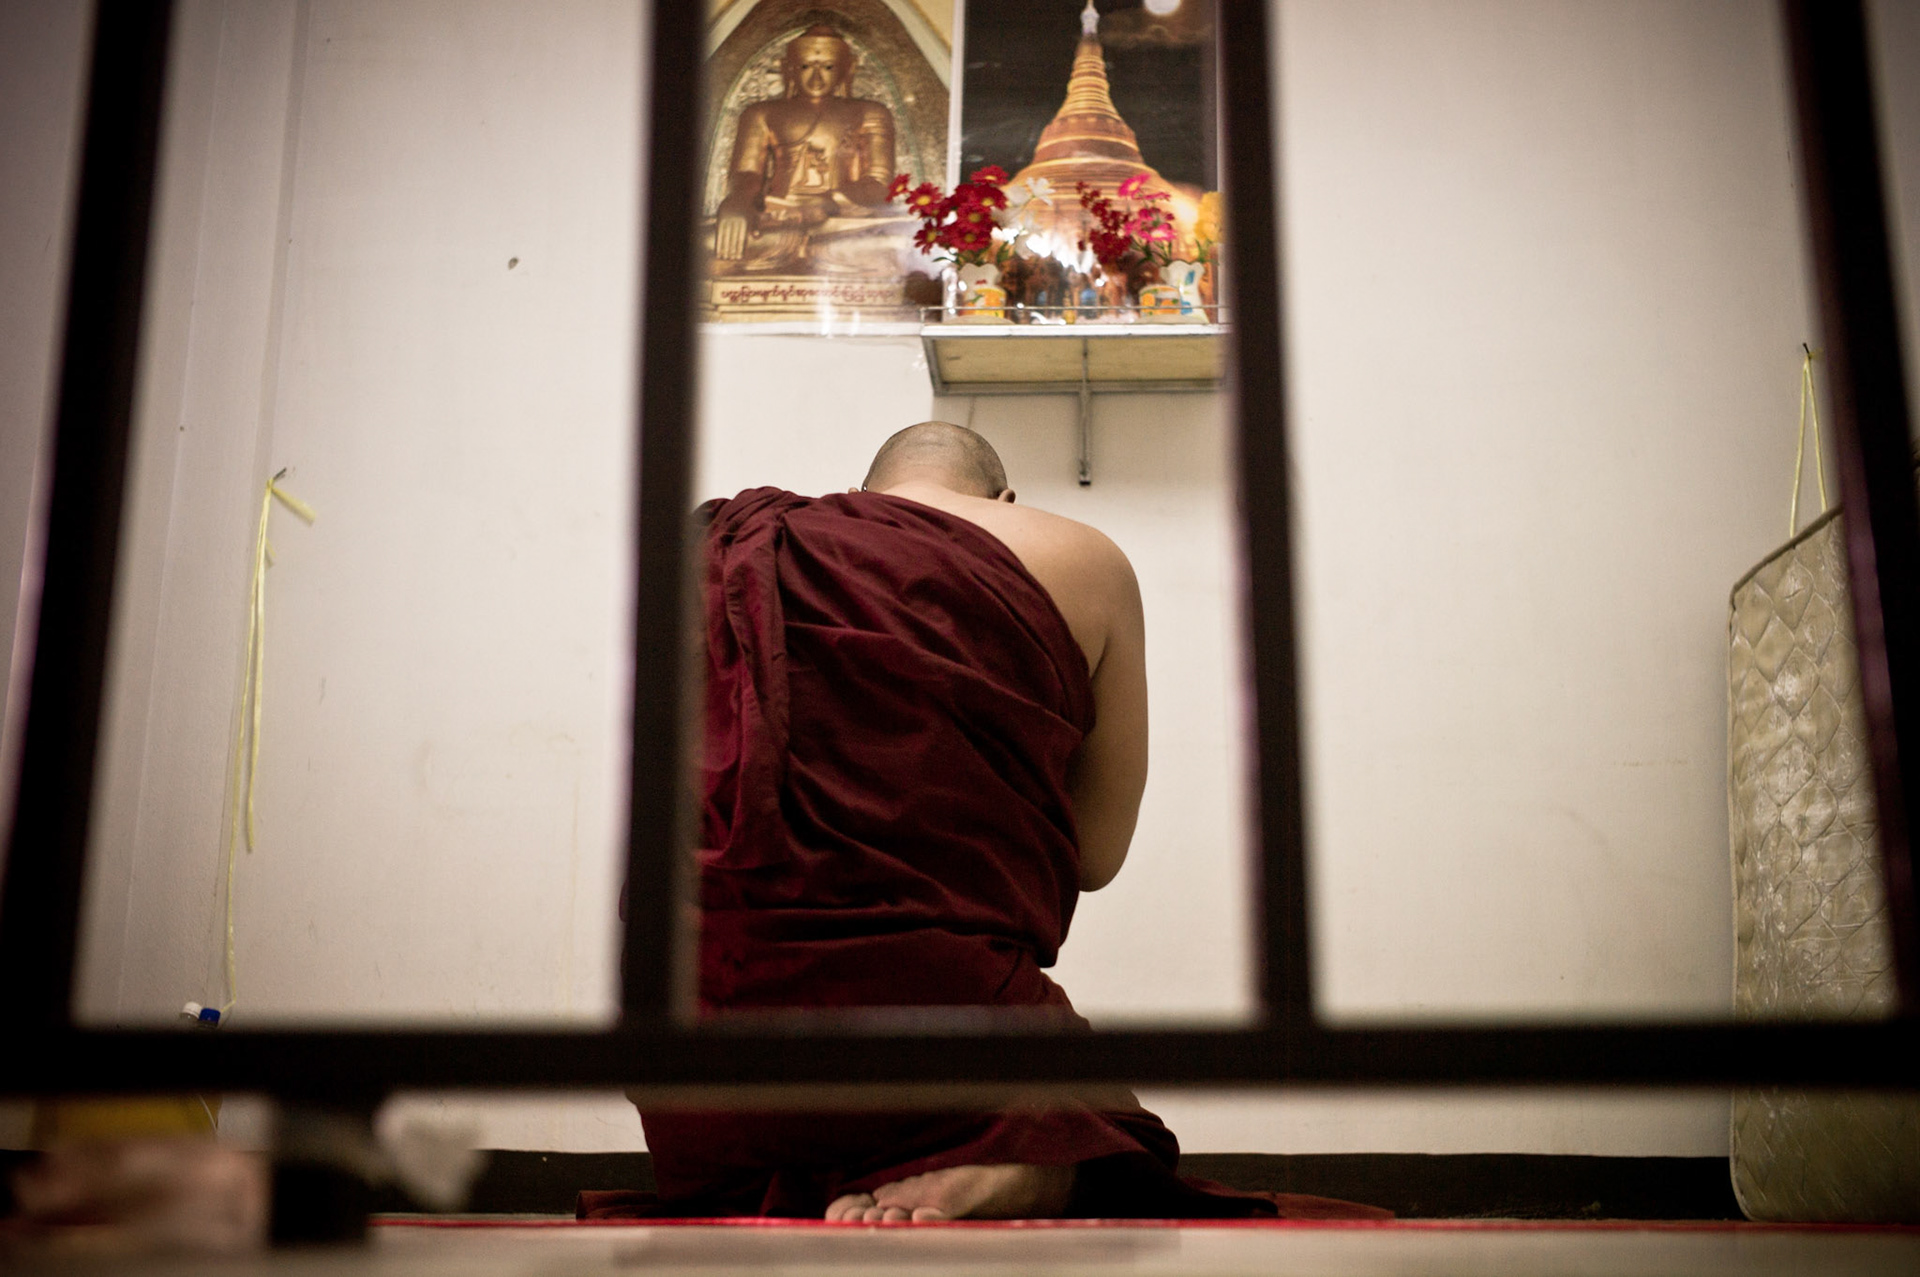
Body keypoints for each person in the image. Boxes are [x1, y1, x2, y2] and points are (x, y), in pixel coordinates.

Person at [588, 423, 1387, 1223]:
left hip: (696, 1042)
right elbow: (1095, 855)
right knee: (1095, 1116)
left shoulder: (737, 550)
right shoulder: (1082, 555)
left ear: (864, 497)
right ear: (1005, 502)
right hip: (935, 1032)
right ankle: (1026, 1157)